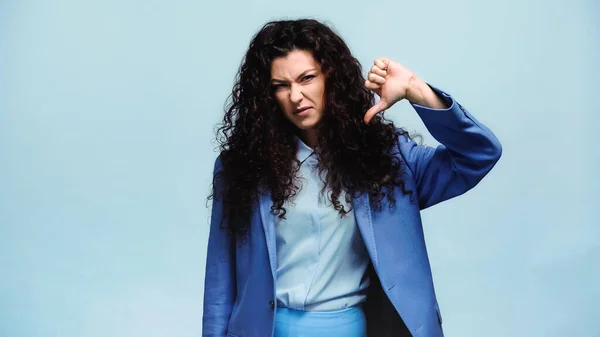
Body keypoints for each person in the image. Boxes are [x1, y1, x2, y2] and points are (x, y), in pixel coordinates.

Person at [202, 18, 501, 337]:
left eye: (307, 78)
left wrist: (417, 91)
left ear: (330, 76)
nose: (296, 96)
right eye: (281, 86)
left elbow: (479, 154)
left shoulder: (387, 160)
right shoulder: (242, 167)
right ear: (267, 95)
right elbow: (220, 282)